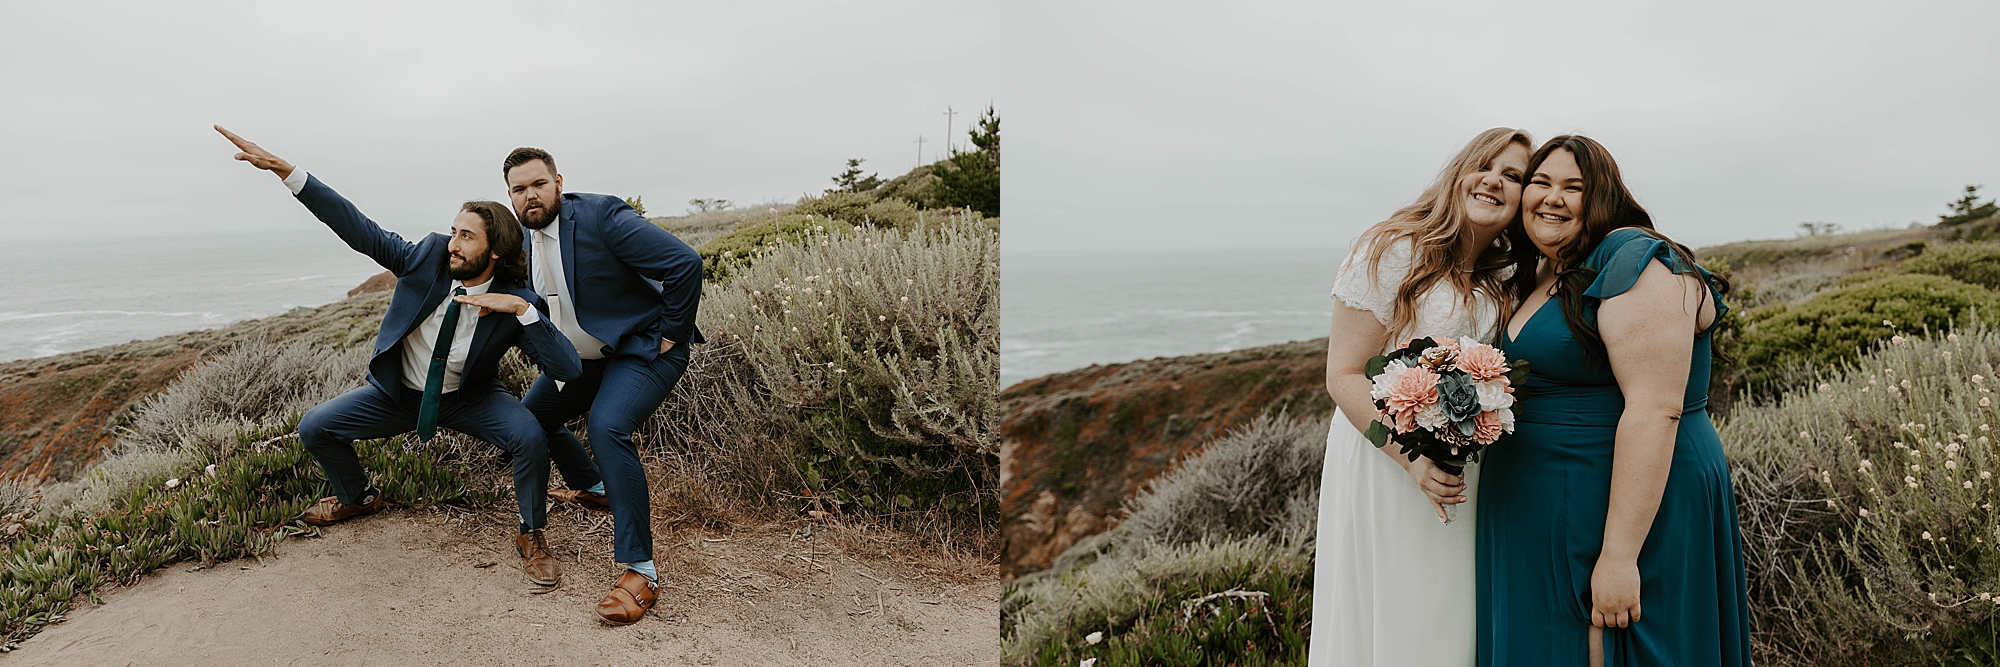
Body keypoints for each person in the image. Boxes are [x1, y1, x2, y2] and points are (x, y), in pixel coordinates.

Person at [216, 126, 584, 587]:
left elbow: (568, 370)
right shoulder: (426, 257)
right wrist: (290, 173)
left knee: (529, 436)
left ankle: (532, 534)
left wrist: (527, 312)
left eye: (465, 236)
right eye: (453, 231)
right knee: (315, 427)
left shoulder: (516, 301)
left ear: (493, 251)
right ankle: (358, 497)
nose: (452, 242)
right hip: (398, 394)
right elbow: (357, 227)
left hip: (469, 397)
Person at [1478, 135, 1751, 666]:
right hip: (1545, 507)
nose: (1552, 198)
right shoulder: (1545, 268)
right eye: (1541, 182)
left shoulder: (1635, 260)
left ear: (1603, 197)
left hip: (1622, 505)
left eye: (1573, 188)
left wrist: (1620, 558)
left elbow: (1656, 409)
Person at [1310, 127, 1532, 666]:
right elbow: (1342, 375)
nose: (1494, 182)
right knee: (1397, 603)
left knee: (1448, 611)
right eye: (1486, 165)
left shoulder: (1506, 276)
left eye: (1513, 176)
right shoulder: (1391, 249)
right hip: (1386, 459)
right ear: (1460, 170)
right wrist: (1411, 460)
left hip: (1463, 465)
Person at [499, 147, 705, 625]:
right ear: (510, 195)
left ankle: (641, 570)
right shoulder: (523, 242)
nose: (530, 195)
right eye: (519, 189)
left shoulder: (600, 216)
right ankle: (594, 486)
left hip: (640, 350)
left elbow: (684, 264)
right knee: (532, 422)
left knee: (607, 425)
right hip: (580, 363)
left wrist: (672, 330)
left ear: (557, 182)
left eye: (538, 184)